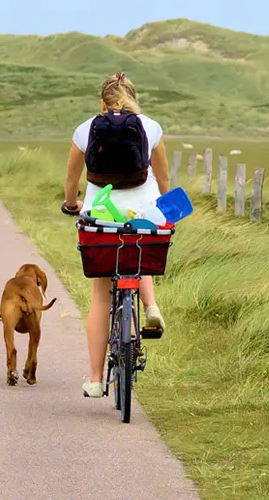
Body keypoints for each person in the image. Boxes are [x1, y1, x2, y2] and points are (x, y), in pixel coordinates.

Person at [62, 73, 170, 397]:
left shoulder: (86, 129)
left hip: (100, 215)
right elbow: (163, 178)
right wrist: (164, 208)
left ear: (102, 102)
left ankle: (95, 380)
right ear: (135, 99)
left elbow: (71, 180)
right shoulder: (150, 127)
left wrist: (72, 205)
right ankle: (150, 305)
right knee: (140, 251)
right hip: (143, 213)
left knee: (100, 297)